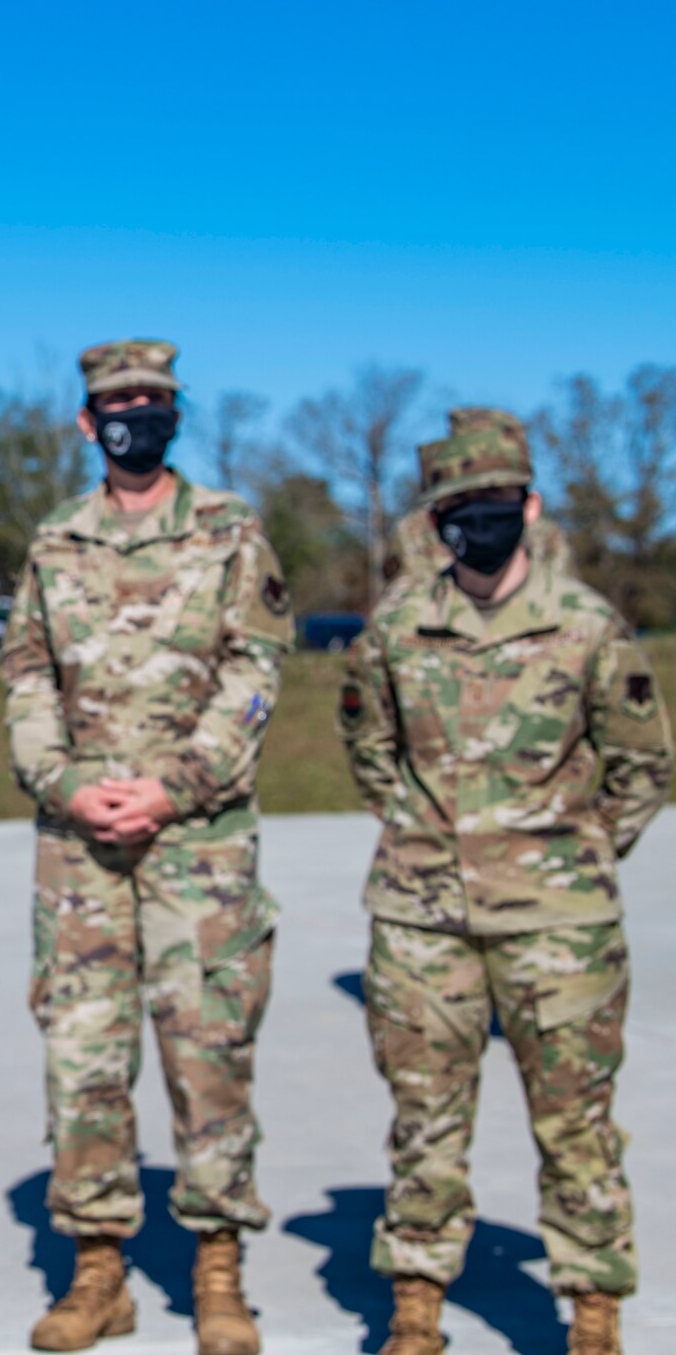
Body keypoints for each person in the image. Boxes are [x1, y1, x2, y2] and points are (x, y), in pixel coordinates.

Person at [338, 420, 670, 1355]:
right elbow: (370, 751)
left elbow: (642, 765)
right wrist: (425, 836)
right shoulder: (398, 627)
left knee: (577, 1127)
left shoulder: (588, 626)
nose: (480, 526)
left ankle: (593, 1314)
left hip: (561, 927)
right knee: (424, 1124)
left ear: (528, 507)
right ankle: (416, 1308)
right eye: (459, 512)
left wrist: (577, 850)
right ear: (435, 521)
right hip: (421, 921)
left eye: (496, 506)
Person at [4, 340, 291, 1355]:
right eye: (115, 403)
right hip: (78, 853)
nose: (134, 414)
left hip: (197, 845)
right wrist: (69, 784)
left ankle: (218, 1275)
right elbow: (25, 684)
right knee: (81, 1057)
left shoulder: (229, 532)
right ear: (87, 423)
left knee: (206, 1056)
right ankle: (97, 1274)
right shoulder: (53, 544)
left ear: (175, 415)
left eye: (151, 400)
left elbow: (252, 678)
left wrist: (172, 787)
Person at [383, 407, 573, 590]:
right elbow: (395, 589)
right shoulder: (413, 532)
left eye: (494, 491)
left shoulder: (548, 537)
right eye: (459, 497)